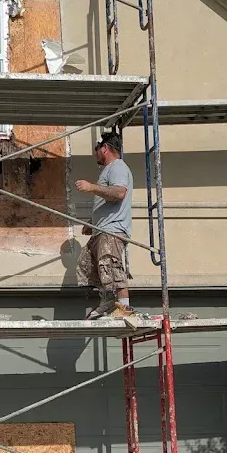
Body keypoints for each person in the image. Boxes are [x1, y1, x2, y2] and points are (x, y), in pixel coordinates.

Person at [75, 132, 134, 319]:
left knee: (112, 266)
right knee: (89, 265)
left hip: (112, 229)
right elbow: (108, 200)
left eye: (97, 150)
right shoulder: (109, 170)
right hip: (102, 229)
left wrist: (91, 187)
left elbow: (119, 193)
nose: (95, 155)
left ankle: (124, 308)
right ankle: (108, 301)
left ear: (105, 148)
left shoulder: (117, 167)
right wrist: (92, 224)